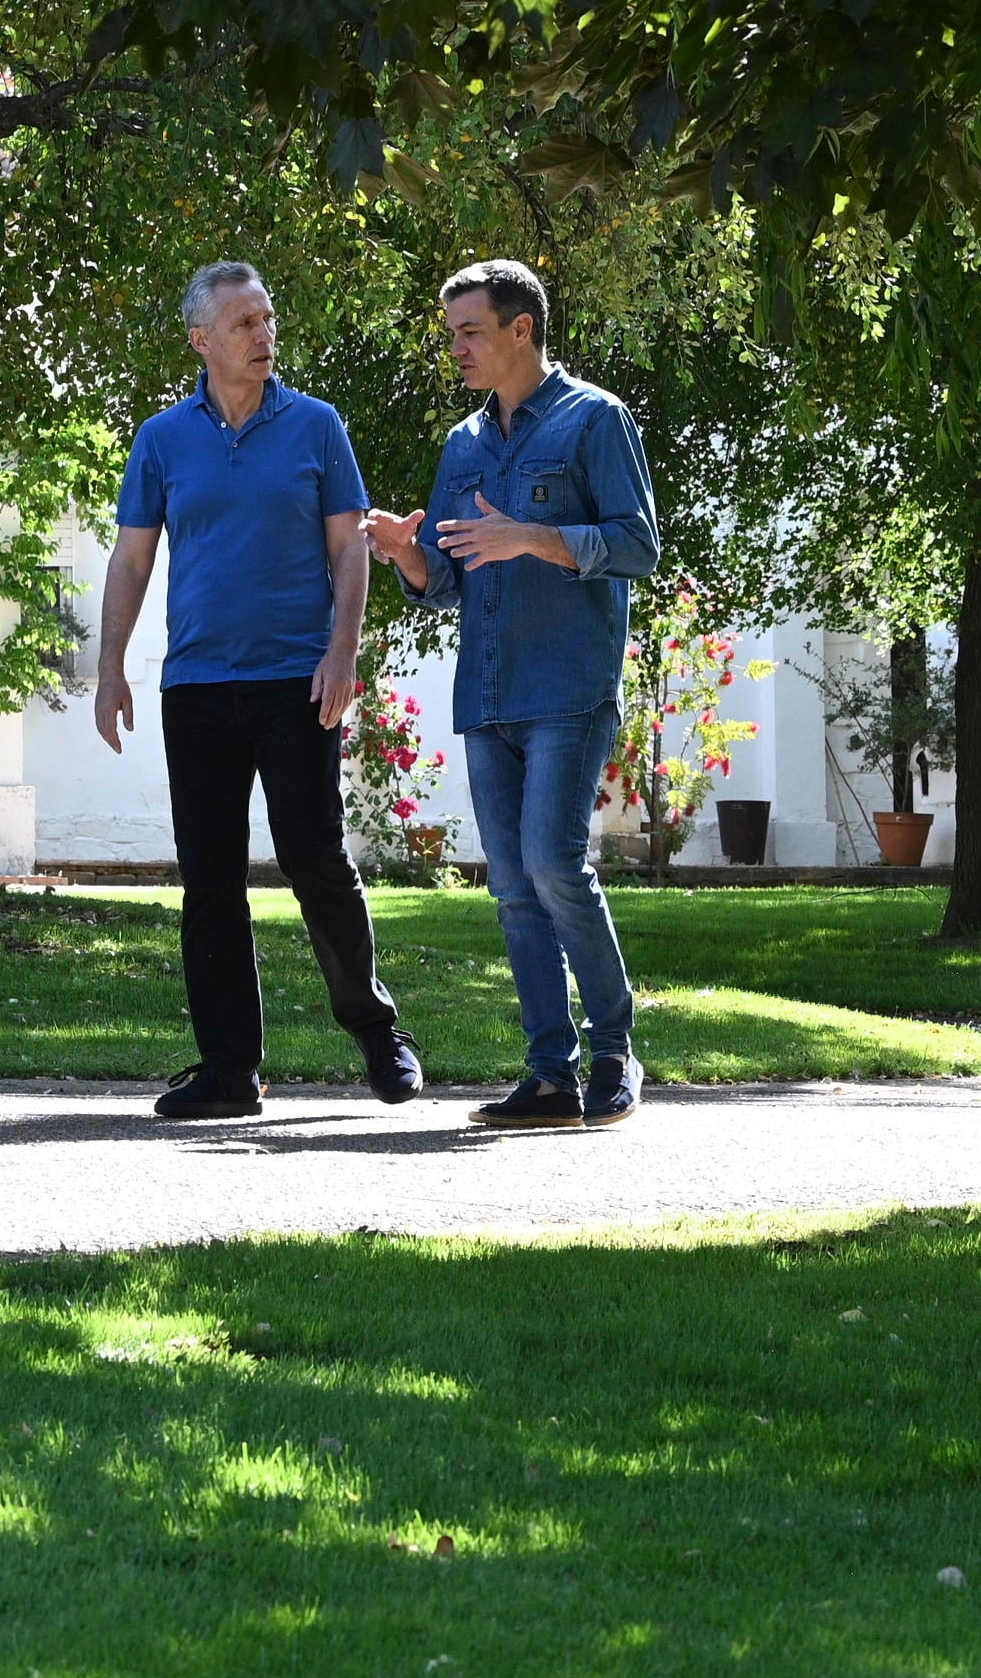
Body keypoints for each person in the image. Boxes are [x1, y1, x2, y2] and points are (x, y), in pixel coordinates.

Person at [95, 260, 427, 1122]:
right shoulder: (163, 439)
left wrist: (342, 650)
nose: (263, 334)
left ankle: (376, 1030)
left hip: (296, 680)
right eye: (244, 323)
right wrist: (110, 669)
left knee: (316, 859)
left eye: (268, 319)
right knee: (210, 878)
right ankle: (229, 1070)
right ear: (201, 339)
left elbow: (350, 545)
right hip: (198, 685)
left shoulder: (316, 426)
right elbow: (133, 558)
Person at [368, 257, 660, 1127]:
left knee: (554, 864)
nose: (454, 347)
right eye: (450, 332)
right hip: (487, 692)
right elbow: (450, 577)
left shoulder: (594, 421)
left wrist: (531, 535)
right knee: (511, 886)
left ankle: (614, 1052)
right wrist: (405, 554)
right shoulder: (463, 445)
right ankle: (548, 1076)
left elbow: (637, 545)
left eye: (470, 331)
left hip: (568, 685)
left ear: (520, 329)